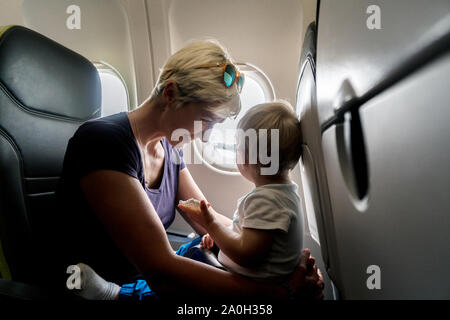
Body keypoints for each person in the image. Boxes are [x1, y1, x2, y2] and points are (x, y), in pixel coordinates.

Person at [54, 39, 324, 301]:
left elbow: (203, 218)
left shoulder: (170, 150)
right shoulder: (103, 142)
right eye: (206, 120)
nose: (206, 137)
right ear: (170, 94)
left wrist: (281, 261)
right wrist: (281, 293)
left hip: (156, 275)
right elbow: (160, 269)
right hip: (109, 284)